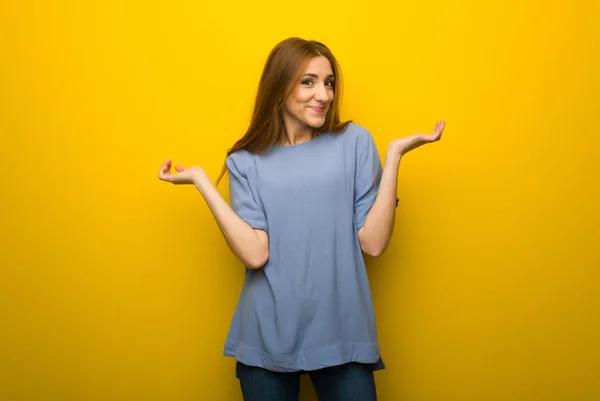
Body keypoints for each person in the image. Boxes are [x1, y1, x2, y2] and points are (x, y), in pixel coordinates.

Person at [158, 37, 445, 401]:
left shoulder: (354, 142)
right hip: (266, 336)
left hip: (343, 333)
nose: (323, 94)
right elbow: (256, 254)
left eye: (328, 83)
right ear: (279, 88)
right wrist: (202, 182)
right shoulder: (245, 162)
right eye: (308, 81)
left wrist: (395, 155)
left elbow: (373, 243)